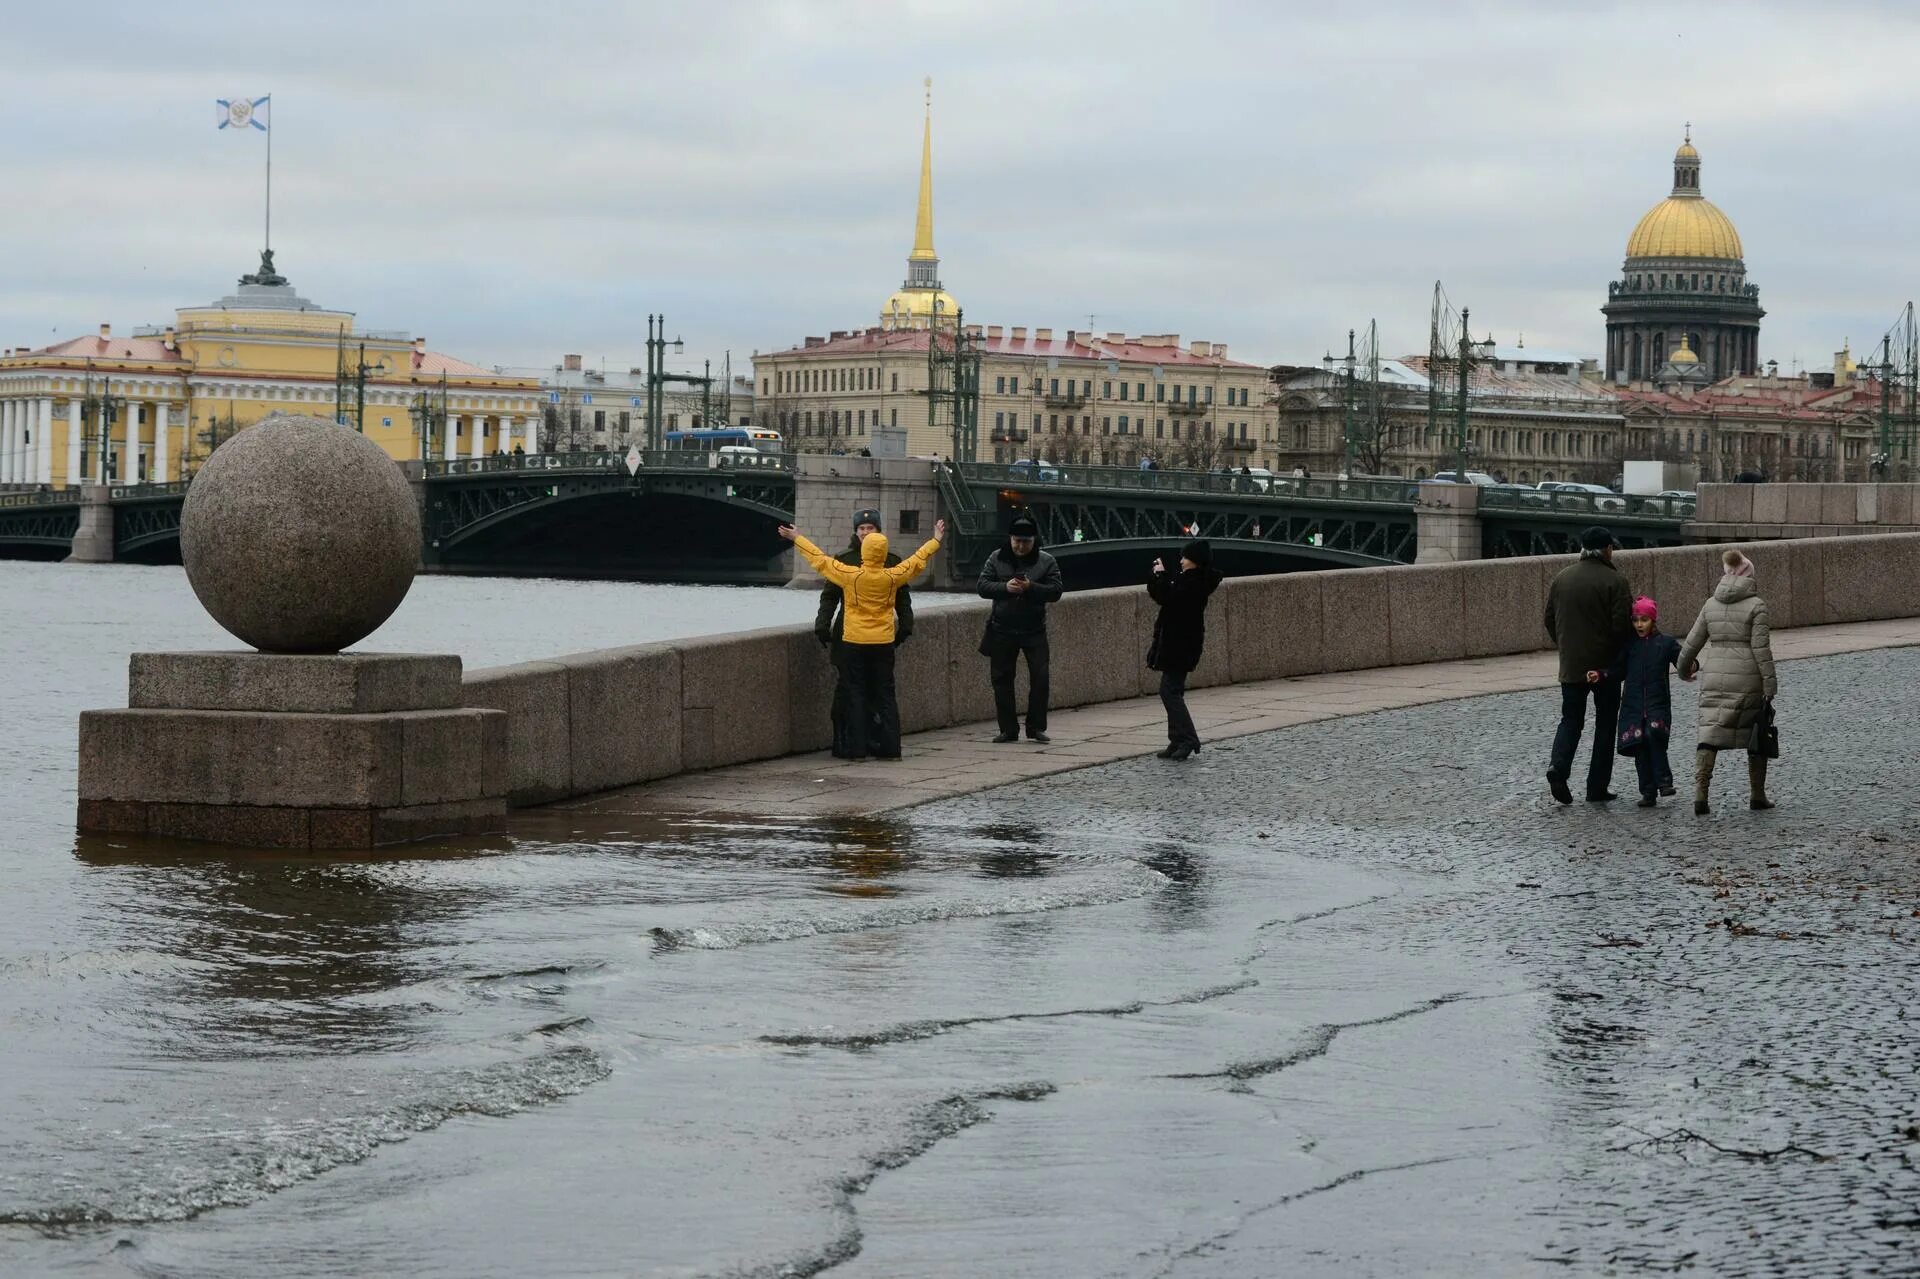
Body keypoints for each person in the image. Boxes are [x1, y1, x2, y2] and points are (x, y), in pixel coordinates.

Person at [780, 516, 945, 760]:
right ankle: (891, 749)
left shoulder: (850, 575)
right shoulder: (893, 576)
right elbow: (917, 561)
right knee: (886, 695)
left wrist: (797, 538)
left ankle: (856, 749)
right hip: (883, 643)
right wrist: (936, 540)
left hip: (854, 642)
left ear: (864, 551)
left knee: (855, 694)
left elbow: (819, 560)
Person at [1677, 549, 1778, 814]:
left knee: (1709, 733)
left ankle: (1701, 796)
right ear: (1749, 577)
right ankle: (1757, 795)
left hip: (1714, 678)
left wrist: (1683, 669)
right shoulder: (1757, 606)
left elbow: (1691, 643)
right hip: (1747, 679)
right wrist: (1770, 685)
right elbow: (1761, 650)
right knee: (1756, 734)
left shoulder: (1711, 604)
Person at [1544, 526, 1634, 804]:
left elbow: (1549, 619)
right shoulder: (1615, 581)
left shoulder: (1562, 578)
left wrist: (1567, 648)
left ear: (1582, 549)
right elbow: (1622, 627)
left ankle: (1558, 768)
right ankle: (1596, 787)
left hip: (1571, 665)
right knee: (1605, 725)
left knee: (1570, 719)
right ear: (1607, 550)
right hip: (1605, 668)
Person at [815, 508, 914, 759]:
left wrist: (906, 623)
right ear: (855, 531)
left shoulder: (891, 560)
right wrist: (822, 623)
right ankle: (848, 740)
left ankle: (867, 744)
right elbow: (830, 597)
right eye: (861, 529)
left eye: (870, 529)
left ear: (878, 531)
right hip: (848, 635)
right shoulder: (845, 558)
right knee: (850, 691)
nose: (865, 533)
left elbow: (903, 597)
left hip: (873, 637)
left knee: (868, 691)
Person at [1593, 596, 1690, 807]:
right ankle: (1647, 791)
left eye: (1644, 619)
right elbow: (1618, 670)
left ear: (1653, 620)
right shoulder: (1630, 647)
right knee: (1639, 745)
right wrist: (1602, 675)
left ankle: (1664, 781)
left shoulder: (1665, 644)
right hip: (1634, 706)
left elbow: (1683, 659)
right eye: (1636, 620)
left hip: (1657, 704)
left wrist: (1691, 666)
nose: (1639, 624)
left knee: (1653, 735)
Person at [977, 513, 1064, 743]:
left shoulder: (1047, 561)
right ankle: (1008, 729)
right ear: (1010, 539)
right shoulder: (996, 558)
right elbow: (982, 586)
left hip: (1034, 630)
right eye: (1017, 541)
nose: (1021, 546)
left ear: (1034, 541)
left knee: (1041, 678)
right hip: (1002, 629)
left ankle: (1035, 727)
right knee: (1002, 680)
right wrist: (1005, 588)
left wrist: (1030, 587)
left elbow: (1056, 591)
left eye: (1025, 542)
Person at [1147, 539, 1223, 761]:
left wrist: (1159, 576)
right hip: (1180, 644)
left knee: (1169, 691)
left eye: (1185, 557)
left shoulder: (1194, 583)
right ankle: (1177, 740)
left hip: (1180, 645)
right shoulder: (1192, 580)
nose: (1181, 561)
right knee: (1172, 690)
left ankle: (1188, 739)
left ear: (1195, 561)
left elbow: (1168, 598)